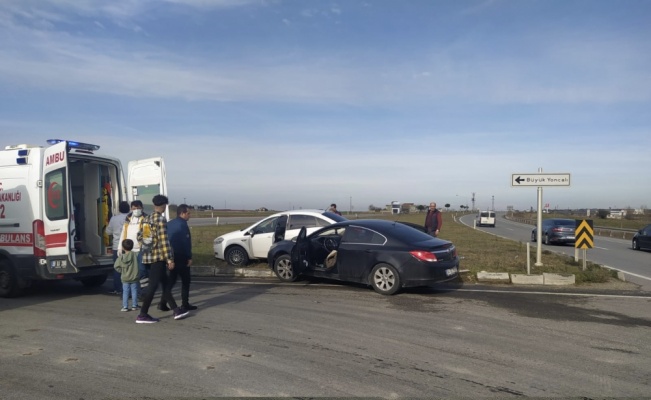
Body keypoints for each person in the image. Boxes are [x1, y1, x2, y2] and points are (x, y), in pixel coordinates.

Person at [135, 195, 190, 324]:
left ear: (154, 205)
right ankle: (142, 314)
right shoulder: (161, 219)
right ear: (164, 206)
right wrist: (169, 259)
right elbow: (164, 241)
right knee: (153, 286)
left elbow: (139, 236)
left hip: (148, 256)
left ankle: (176, 310)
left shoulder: (146, 219)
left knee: (165, 284)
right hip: (158, 257)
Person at [160, 204, 197, 311]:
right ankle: (185, 303)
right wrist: (189, 257)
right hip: (181, 256)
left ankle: (162, 303)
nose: (189, 215)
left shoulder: (169, 223)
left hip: (171, 256)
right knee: (186, 281)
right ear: (182, 213)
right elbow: (185, 243)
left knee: (171, 280)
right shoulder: (183, 225)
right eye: (188, 213)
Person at [119, 200, 148, 300]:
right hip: (128, 250)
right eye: (134, 208)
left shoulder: (146, 218)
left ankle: (144, 292)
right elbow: (123, 233)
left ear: (142, 208)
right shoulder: (128, 219)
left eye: (138, 208)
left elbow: (147, 235)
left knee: (142, 271)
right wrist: (120, 247)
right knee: (129, 272)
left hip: (141, 249)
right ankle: (131, 292)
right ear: (131, 209)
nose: (136, 210)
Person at [106, 201, 130, 294]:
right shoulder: (131, 217)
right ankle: (130, 289)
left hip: (117, 247)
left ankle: (118, 288)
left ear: (119, 209)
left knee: (118, 268)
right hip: (130, 246)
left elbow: (108, 231)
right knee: (130, 268)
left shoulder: (114, 219)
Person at [113, 239, 140, 312]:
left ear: (123, 247)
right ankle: (134, 305)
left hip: (125, 277)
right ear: (132, 246)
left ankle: (125, 306)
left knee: (125, 292)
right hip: (134, 277)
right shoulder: (135, 255)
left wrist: (122, 271)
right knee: (134, 291)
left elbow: (116, 266)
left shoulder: (121, 257)